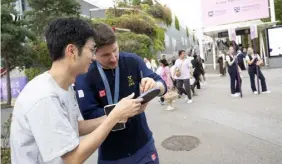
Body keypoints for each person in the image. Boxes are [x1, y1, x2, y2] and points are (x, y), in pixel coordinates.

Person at [10, 18, 143, 164]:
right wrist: (114, 116)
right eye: (92, 50)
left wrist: (117, 115)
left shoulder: (63, 87)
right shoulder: (44, 97)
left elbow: (73, 127)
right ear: (72, 51)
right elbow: (72, 158)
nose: (93, 57)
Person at [75, 23, 167, 164]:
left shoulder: (132, 61)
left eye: (115, 50)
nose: (113, 58)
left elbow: (162, 84)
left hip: (144, 145)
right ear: (94, 53)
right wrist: (121, 112)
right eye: (105, 55)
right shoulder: (85, 74)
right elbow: (89, 116)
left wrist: (155, 86)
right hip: (112, 155)